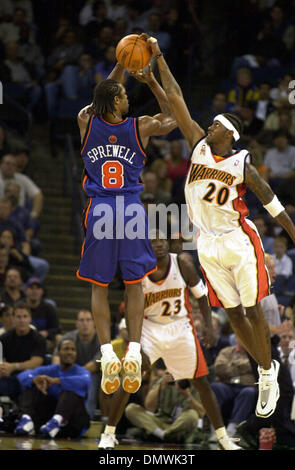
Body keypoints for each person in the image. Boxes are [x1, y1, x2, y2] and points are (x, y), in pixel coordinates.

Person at [148, 34, 295, 420]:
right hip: (206, 243)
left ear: (229, 134)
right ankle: (266, 367)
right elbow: (176, 98)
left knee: (253, 309)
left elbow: (271, 203)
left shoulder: (241, 162)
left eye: (214, 126)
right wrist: (159, 61)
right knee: (232, 315)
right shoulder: (197, 144)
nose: (207, 127)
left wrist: (294, 233)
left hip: (237, 239)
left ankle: (266, 371)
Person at [76, 57, 176, 398]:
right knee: (135, 284)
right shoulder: (141, 126)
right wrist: (151, 82)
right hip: (131, 209)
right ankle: (133, 351)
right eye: (124, 95)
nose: (128, 98)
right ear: (117, 101)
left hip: (100, 208)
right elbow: (174, 116)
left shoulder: (85, 122)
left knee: (99, 286)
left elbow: (99, 94)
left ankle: (107, 354)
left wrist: (120, 64)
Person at [98, 233, 241, 450]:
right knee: (129, 377)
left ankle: (223, 438)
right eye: (153, 241)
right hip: (148, 328)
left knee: (201, 383)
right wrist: (136, 346)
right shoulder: (136, 269)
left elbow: (201, 296)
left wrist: (207, 327)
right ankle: (108, 434)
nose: (159, 244)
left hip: (180, 326)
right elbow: (129, 310)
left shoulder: (182, 262)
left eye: (162, 240)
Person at [236, 254, 295, 449]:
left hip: (268, 347)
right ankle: (254, 427)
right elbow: (249, 325)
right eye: (270, 267)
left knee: (278, 391)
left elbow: (263, 318)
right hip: (260, 348)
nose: (275, 272)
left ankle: (275, 433)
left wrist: (275, 314)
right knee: (282, 389)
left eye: (275, 267)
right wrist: (278, 329)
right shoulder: (253, 289)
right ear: (260, 268)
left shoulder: (267, 288)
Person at [15, 338, 91, 438]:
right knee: (32, 385)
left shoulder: (82, 372)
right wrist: (34, 380)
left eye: (73, 349)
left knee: (70, 390)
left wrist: (57, 381)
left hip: (71, 421)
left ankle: (56, 421)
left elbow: (86, 381)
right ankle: (26, 419)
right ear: (58, 352)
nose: (69, 352)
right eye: (66, 349)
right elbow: (22, 376)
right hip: (47, 420)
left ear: (76, 353)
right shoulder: (49, 369)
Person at [125, 369, 205, 444]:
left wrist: (188, 396)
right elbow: (149, 407)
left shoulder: (194, 383)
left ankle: (161, 433)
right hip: (160, 421)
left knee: (192, 415)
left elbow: (201, 413)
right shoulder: (165, 380)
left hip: (180, 425)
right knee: (131, 409)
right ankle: (164, 435)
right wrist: (162, 384)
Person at [52, 309, 101, 419]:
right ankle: (56, 417)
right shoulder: (67, 338)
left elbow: (94, 365)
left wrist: (74, 377)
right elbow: (56, 359)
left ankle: (86, 418)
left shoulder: (102, 340)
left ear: (94, 322)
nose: (85, 324)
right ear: (77, 323)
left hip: (92, 374)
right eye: (82, 320)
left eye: (88, 320)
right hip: (68, 373)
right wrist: (58, 374)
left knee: (90, 379)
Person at [210, 338, 257, 437]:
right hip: (227, 386)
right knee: (215, 387)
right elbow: (219, 368)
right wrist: (245, 368)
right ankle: (215, 428)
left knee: (249, 392)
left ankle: (232, 429)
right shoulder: (226, 351)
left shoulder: (256, 354)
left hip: (246, 387)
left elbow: (255, 372)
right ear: (236, 337)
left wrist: (233, 365)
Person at [0, 301, 46, 400]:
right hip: (9, 376)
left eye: (25, 317)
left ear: (30, 318)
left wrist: (14, 366)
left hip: (32, 376)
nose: (22, 320)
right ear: (13, 318)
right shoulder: (5, 338)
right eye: (18, 317)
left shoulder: (38, 339)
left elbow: (36, 362)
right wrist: (3, 369)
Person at [25, 277, 61, 351]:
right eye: (31, 288)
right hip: (22, 339)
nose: (34, 291)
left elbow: (57, 328)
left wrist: (47, 332)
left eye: (37, 288)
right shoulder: (20, 307)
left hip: (43, 342)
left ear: (42, 291)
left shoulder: (48, 308)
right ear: (26, 290)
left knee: (59, 338)